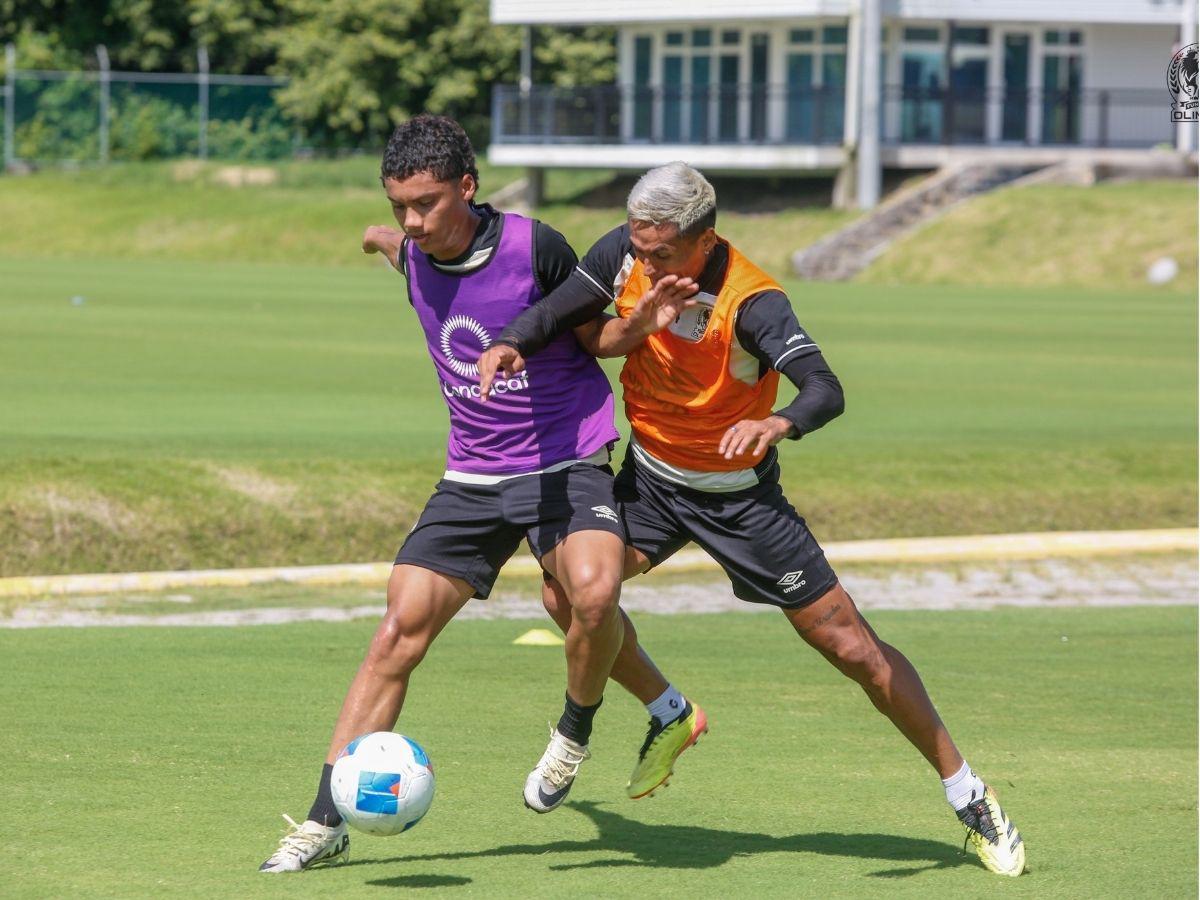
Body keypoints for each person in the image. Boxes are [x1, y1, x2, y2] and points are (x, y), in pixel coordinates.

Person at [477, 162, 1027, 878]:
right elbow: (560, 309)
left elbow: (825, 388)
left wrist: (779, 423)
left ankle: (970, 795)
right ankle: (662, 713)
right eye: (640, 250)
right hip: (651, 482)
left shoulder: (754, 300)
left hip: (741, 500)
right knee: (570, 594)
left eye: (662, 253)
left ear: (705, 240)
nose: (646, 265)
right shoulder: (626, 251)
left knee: (853, 649)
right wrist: (511, 341)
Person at [259, 116, 691, 873]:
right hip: (471, 476)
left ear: (468, 186)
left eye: (426, 204)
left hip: (564, 460)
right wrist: (376, 236)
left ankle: (573, 734)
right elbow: (397, 249)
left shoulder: (536, 247)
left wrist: (642, 325)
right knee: (397, 632)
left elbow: (594, 338)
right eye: (398, 206)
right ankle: (326, 822)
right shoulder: (415, 251)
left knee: (591, 595)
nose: (412, 222)